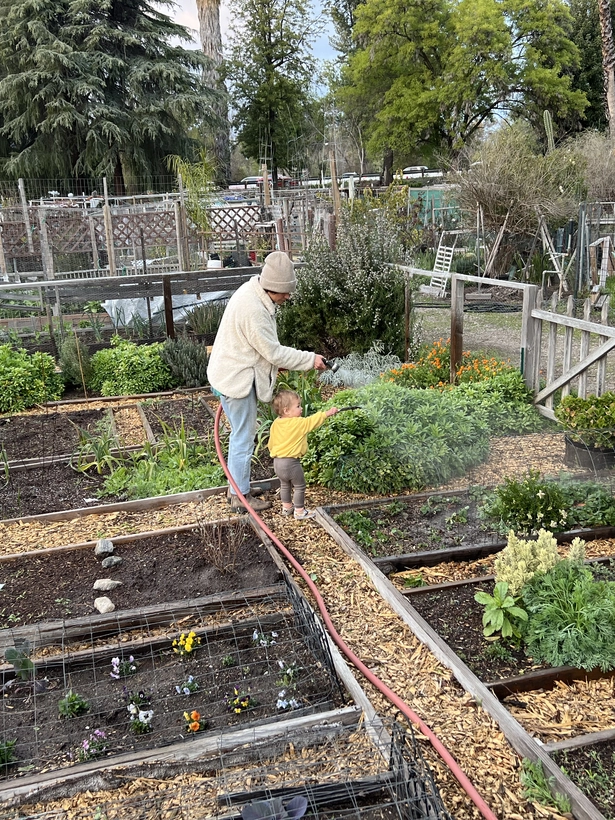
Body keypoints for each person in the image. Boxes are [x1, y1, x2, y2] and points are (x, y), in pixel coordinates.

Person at [207, 251, 327, 512]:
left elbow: (261, 347)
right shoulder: (253, 309)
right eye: (285, 292)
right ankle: (240, 497)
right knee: (243, 438)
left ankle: (239, 486)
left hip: (234, 370)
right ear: (274, 288)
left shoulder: (254, 293)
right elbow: (272, 351)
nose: (288, 297)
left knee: (243, 436)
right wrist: (310, 360)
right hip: (235, 379)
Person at [268, 390, 339, 520]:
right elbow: (311, 421)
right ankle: (300, 511)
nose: (301, 409)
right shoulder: (298, 423)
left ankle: (287, 508)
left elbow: (271, 443)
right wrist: (327, 413)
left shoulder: (275, 424)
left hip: (277, 463)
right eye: (298, 406)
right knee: (299, 486)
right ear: (286, 411)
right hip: (291, 463)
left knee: (284, 485)